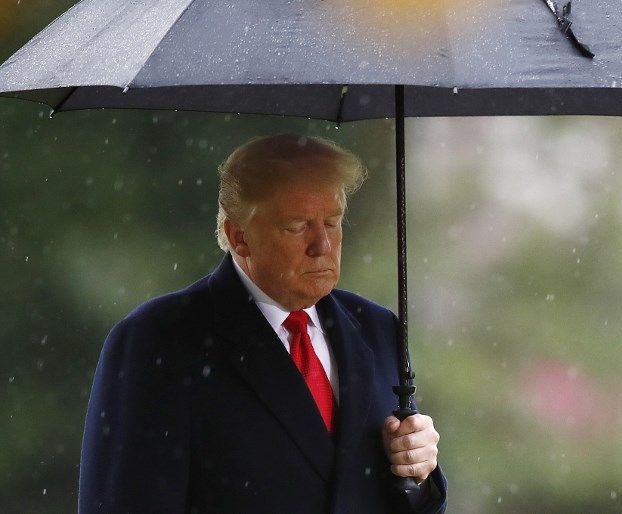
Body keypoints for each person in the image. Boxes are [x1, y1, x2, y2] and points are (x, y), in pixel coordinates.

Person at [78, 134, 447, 513]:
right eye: (298, 226)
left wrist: (418, 474)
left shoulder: (376, 328)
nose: (322, 245)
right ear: (240, 237)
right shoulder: (158, 340)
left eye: (332, 223)